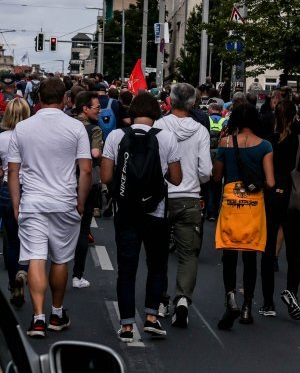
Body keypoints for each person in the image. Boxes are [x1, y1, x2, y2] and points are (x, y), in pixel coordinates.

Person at [7, 77, 92, 338]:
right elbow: (86, 169)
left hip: (32, 201)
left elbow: (12, 170)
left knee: (35, 257)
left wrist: (16, 204)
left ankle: (38, 318)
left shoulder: (22, 129)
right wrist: (80, 203)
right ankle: (56, 313)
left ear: (38, 98)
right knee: (60, 259)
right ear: (66, 98)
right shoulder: (76, 127)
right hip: (64, 201)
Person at [102, 92, 182, 341]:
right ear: (156, 113)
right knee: (157, 266)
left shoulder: (116, 136)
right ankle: (151, 318)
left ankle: (126, 325)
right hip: (155, 212)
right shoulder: (167, 138)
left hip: (125, 211)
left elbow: (105, 177)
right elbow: (177, 178)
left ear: (132, 110)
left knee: (126, 269)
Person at [213, 103, 275, 329]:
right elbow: (270, 182)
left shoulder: (225, 143)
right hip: (253, 205)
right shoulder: (265, 145)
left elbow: (216, 176)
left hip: (230, 204)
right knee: (250, 256)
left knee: (229, 254)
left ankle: (230, 298)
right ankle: (248, 306)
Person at [153, 83, 211, 328]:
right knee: (188, 254)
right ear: (193, 104)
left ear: (169, 101)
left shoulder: (158, 126)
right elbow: (206, 170)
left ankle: (159, 300)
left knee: (158, 253)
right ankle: (183, 301)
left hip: (161, 198)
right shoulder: (200, 131)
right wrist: (195, 180)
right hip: (189, 199)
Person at [260, 101, 300, 320]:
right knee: (295, 252)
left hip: (271, 198)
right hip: (294, 199)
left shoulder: (268, 141)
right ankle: (291, 292)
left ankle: (268, 303)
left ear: (275, 117)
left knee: (268, 251)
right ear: (296, 117)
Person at [0, 98, 31, 307]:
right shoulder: (35, 137)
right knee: (32, 238)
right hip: (31, 189)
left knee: (10, 238)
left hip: (7, 188)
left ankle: (13, 282)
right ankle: (25, 271)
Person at [71, 91, 104, 290]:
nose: (100, 111)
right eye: (96, 108)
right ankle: (77, 275)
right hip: (86, 181)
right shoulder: (94, 130)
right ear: (85, 108)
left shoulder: (67, 123)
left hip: (63, 181)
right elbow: (95, 153)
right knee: (83, 229)